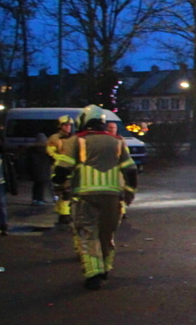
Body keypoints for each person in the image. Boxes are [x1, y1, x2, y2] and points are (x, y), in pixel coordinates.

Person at [52, 105, 138, 290]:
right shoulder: (117, 141)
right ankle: (106, 267)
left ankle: (93, 273)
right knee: (107, 234)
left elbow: (62, 169)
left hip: (85, 196)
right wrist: (130, 191)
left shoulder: (76, 141)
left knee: (88, 234)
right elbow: (131, 170)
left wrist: (59, 185)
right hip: (112, 196)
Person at [47, 115, 75, 225]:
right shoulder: (54, 138)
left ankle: (64, 213)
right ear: (60, 126)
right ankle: (64, 214)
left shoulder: (74, 138)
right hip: (59, 169)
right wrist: (62, 161)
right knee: (64, 192)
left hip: (71, 169)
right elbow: (50, 153)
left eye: (69, 125)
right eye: (65, 125)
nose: (68, 127)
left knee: (68, 192)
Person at [105, 120, 130, 220]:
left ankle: (122, 212)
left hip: (118, 168)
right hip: (106, 168)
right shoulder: (104, 140)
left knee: (120, 191)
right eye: (110, 128)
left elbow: (126, 154)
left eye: (114, 128)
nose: (113, 130)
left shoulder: (121, 139)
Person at [28, 133, 53, 206]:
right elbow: (51, 159)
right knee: (42, 186)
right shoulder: (46, 150)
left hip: (35, 170)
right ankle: (40, 199)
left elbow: (29, 161)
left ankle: (35, 199)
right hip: (44, 170)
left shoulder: (32, 150)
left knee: (36, 185)